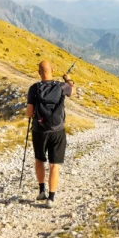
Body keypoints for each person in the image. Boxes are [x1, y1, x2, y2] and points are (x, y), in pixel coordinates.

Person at [26, 61, 76, 208]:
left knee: (39, 160)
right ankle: (51, 198)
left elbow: (29, 113)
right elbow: (73, 92)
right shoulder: (61, 86)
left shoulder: (34, 88)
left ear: (39, 72)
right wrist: (68, 79)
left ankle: (41, 190)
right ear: (52, 70)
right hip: (57, 130)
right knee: (54, 165)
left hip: (39, 130)